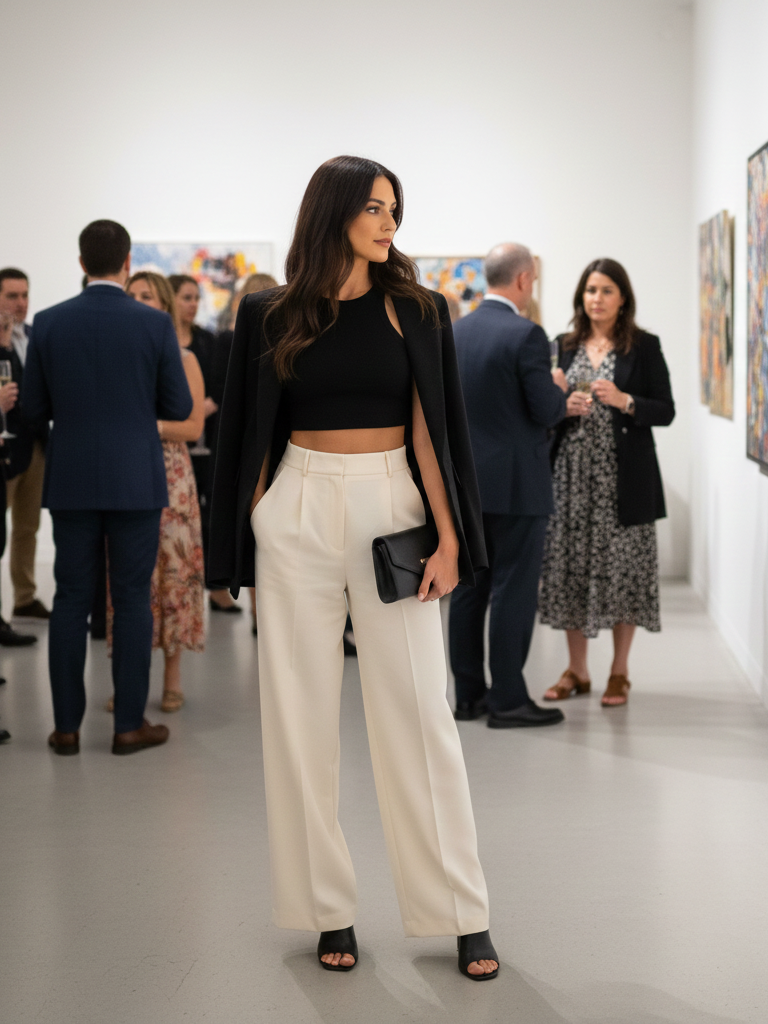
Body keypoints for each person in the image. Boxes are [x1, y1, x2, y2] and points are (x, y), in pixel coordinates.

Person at [209, 155, 498, 980]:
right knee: (298, 719)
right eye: (374, 207)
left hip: (393, 508)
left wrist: (448, 539)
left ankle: (461, 912)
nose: (388, 222)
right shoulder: (269, 312)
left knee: (420, 715)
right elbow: (252, 438)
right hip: (296, 508)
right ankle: (326, 910)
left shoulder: (417, 308)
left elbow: (432, 435)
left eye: (395, 209)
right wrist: (252, 532)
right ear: (333, 211)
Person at [22, 220, 193, 755]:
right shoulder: (153, 324)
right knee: (132, 600)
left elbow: (31, 412)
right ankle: (127, 727)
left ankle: (66, 729)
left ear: (80, 263)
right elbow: (180, 408)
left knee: (71, 599)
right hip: (135, 482)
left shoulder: (48, 324)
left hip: (70, 479)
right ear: (126, 264)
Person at [539, 258, 675, 706]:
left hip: (625, 482)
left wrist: (626, 400)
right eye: (590, 290)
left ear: (623, 299)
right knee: (572, 572)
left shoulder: (644, 347)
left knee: (624, 574)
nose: (596, 298)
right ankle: (577, 670)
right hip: (571, 480)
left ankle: (620, 671)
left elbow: (666, 410)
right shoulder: (562, 345)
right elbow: (541, 411)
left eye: (606, 291)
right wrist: (561, 406)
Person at [450, 243, 567, 728]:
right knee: (513, 591)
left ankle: (469, 697)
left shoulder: (453, 332)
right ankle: (509, 701)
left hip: (464, 484)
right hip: (518, 485)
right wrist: (559, 389)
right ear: (522, 280)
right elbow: (546, 410)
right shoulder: (527, 335)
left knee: (467, 591)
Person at [119, 271, 206, 712]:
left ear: (164, 304)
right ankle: (128, 680)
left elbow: (193, 427)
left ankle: (172, 677)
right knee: (129, 577)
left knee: (172, 574)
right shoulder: (116, 354)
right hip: (125, 472)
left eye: (146, 296)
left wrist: (145, 426)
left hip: (171, 475)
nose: (137, 301)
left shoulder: (184, 358)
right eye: (131, 294)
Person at [208, 272, 279, 625]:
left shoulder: (283, 337)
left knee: (261, 524)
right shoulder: (228, 342)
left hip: (255, 440)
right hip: (250, 442)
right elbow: (225, 392)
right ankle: (257, 609)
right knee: (254, 524)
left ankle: (259, 611)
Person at [168, 274, 227, 610]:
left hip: (207, 439)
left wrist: (210, 404)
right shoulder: (158, 339)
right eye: (186, 297)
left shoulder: (207, 340)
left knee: (209, 513)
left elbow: (220, 382)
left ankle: (215, 587)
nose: (192, 304)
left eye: (195, 298)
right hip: (174, 438)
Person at [0, 268, 49, 621]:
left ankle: (24, 597)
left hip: (36, 445)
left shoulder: (34, 334)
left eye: (24, 295)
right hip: (4, 446)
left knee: (27, 527)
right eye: (11, 295)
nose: (20, 303)